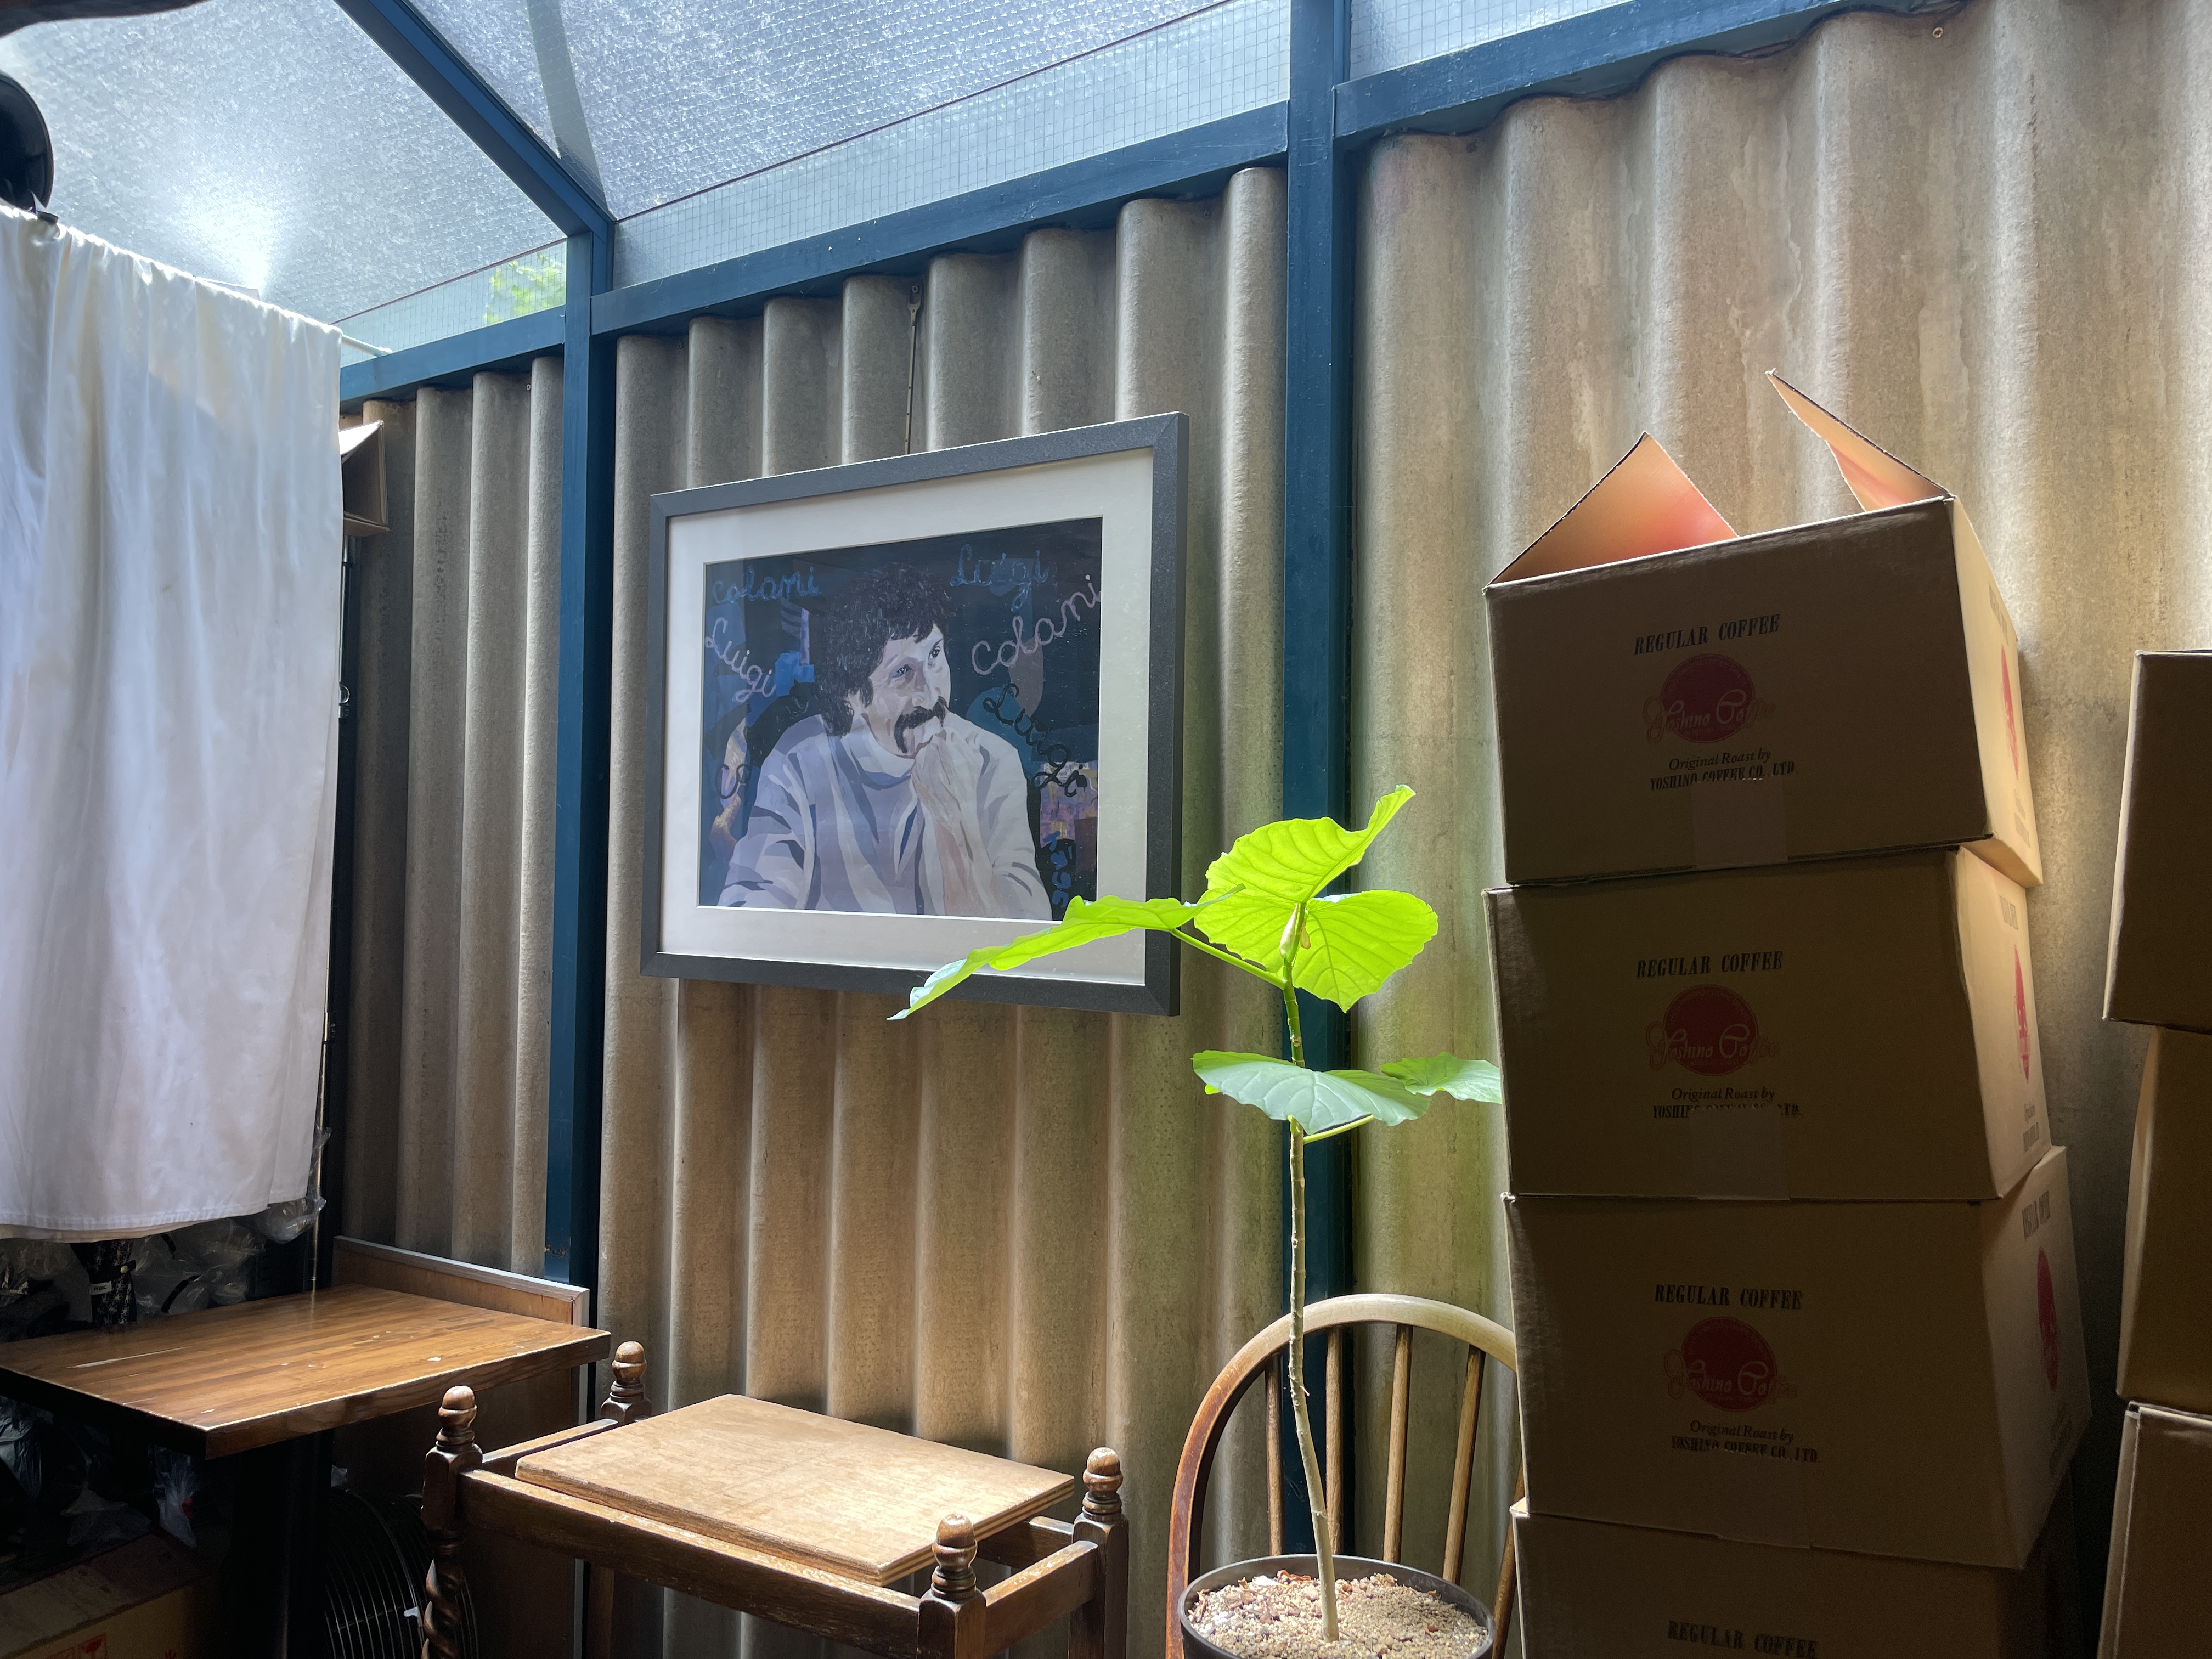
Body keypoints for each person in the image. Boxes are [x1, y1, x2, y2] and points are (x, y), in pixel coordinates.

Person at [718, 563, 1048, 918]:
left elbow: (1028, 929)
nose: (929, 694)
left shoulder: (991, 761)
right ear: (854, 695)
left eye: (935, 656)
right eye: (902, 672)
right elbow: (750, 912)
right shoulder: (800, 762)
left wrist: (958, 823)